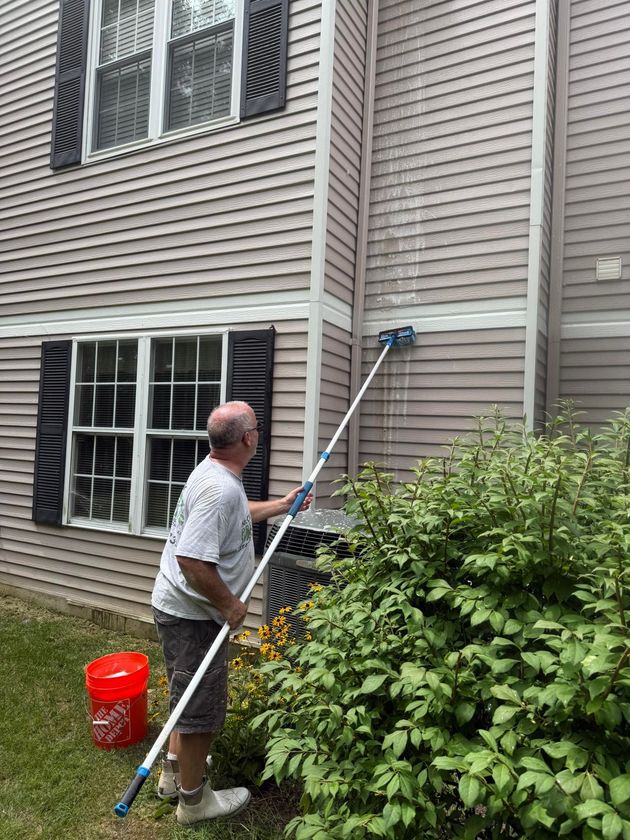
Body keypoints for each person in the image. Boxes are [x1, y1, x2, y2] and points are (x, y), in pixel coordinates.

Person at [151, 400, 312, 826]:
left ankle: (171, 774)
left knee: (184, 692)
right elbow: (191, 559)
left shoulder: (217, 474)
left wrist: (281, 505)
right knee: (199, 709)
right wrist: (231, 605)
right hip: (194, 616)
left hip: (182, 610)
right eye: (256, 427)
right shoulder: (220, 488)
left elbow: (237, 518)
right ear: (248, 438)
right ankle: (193, 801)